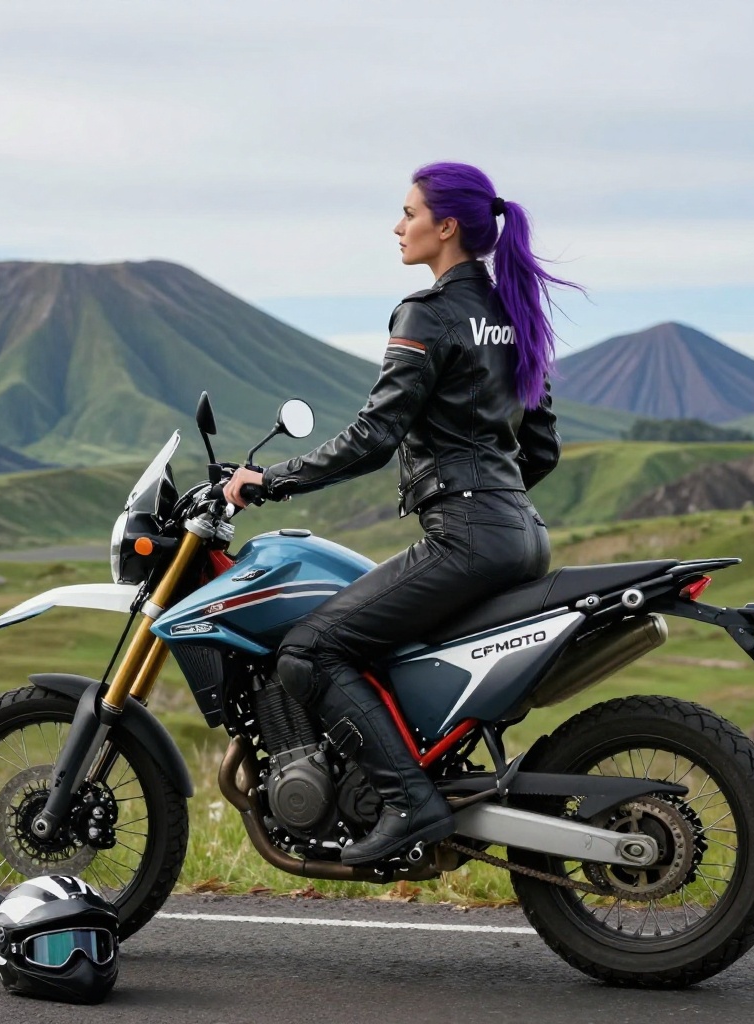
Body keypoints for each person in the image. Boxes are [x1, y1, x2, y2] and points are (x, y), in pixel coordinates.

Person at [223, 162, 580, 865]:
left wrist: (268, 480)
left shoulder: (427, 314)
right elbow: (540, 449)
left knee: (309, 650)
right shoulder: (515, 313)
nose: (398, 226)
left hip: (470, 538)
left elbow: (373, 435)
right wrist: (495, 504)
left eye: (409, 212)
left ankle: (409, 805)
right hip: (520, 536)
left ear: (446, 227)